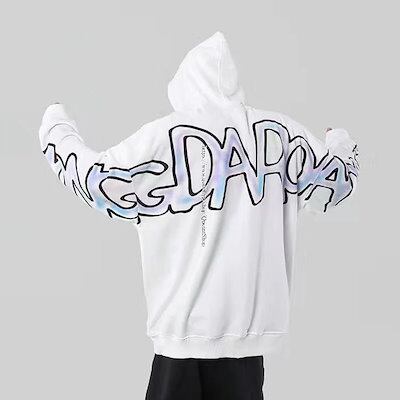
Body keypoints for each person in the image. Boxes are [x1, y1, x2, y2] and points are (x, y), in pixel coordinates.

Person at [38, 32, 359, 399]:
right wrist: (340, 142)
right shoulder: (281, 135)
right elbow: (336, 183)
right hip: (245, 351)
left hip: (181, 344)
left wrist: (56, 127)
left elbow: (96, 182)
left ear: (184, 85)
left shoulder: (163, 136)